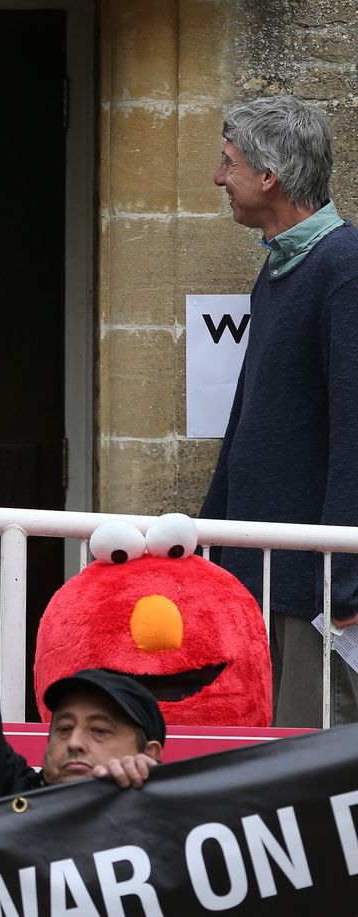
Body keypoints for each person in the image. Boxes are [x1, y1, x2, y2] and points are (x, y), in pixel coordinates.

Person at [199, 94, 358, 728]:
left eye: (228, 163)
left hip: (315, 597)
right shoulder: (282, 269)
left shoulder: (343, 270)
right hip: (265, 580)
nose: (218, 177)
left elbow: (354, 435)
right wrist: (208, 545)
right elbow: (246, 424)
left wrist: (344, 583)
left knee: (311, 781)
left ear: (270, 178)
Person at [0, 508, 163, 810]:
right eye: (63, 729)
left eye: (100, 731)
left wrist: (151, 801)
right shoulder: (9, 800)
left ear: (150, 755)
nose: (75, 743)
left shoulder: (181, 834)